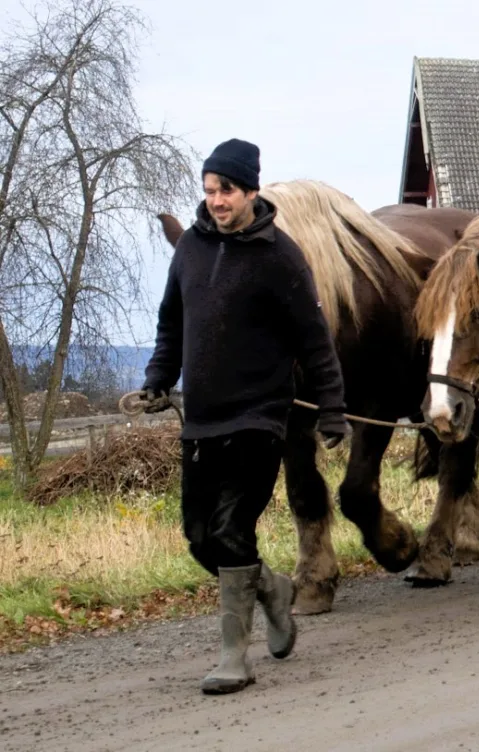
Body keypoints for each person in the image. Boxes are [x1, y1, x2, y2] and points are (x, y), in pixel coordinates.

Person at [141, 138, 351, 693]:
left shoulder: (281, 256)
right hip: (201, 420)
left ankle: (234, 656)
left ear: (250, 191)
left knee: (231, 530)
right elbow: (171, 324)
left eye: (227, 190)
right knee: (199, 538)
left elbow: (314, 340)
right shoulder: (190, 249)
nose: (216, 200)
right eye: (210, 189)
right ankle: (273, 588)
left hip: (259, 419)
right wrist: (158, 377)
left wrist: (332, 409)